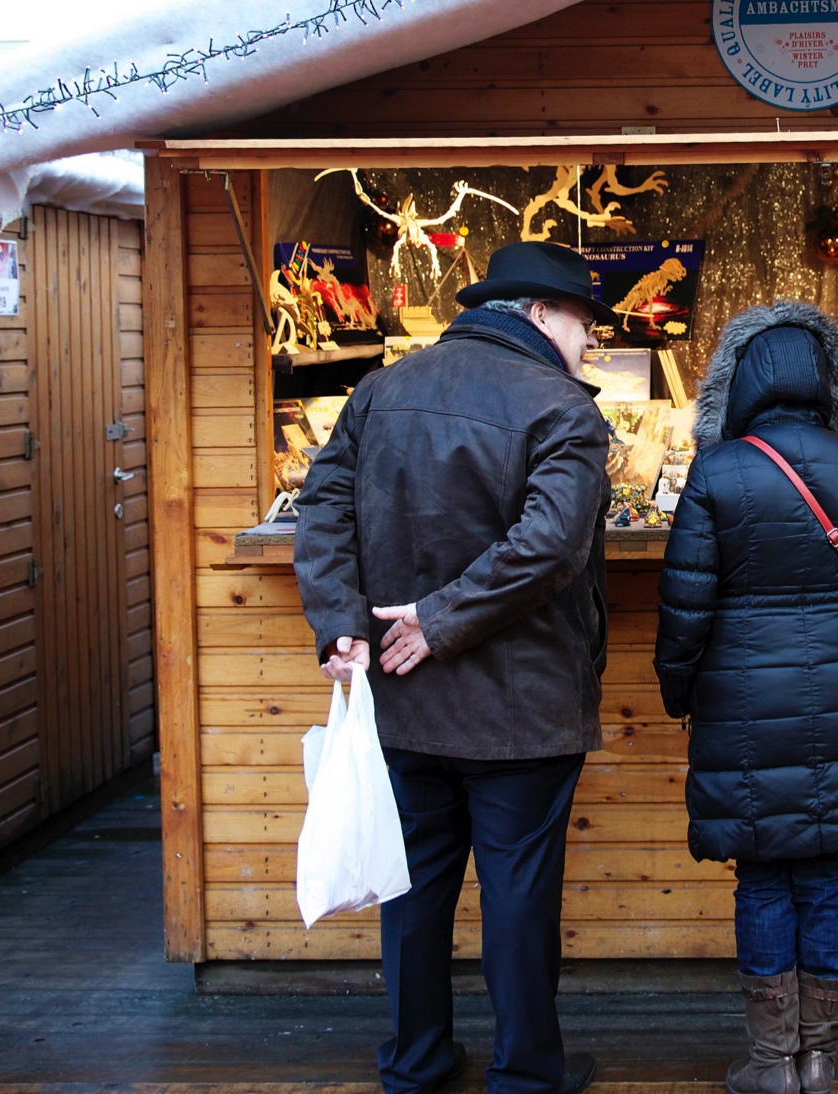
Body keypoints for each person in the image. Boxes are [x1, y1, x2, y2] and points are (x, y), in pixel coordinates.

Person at [294, 240, 615, 1094]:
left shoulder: (380, 390)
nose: (592, 342)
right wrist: (437, 622)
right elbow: (550, 547)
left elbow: (319, 506)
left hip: (403, 701)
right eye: (586, 323)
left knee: (414, 891)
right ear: (542, 315)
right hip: (524, 709)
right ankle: (527, 1075)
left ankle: (417, 1061)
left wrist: (340, 625)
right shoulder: (564, 410)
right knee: (517, 900)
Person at [654, 301, 838, 1094]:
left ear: (738, 386)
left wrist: (682, 692)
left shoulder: (716, 471)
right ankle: (821, 1055)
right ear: (822, 383)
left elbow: (687, 611)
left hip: (738, 711)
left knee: (762, 878)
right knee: (828, 873)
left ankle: (772, 1062)